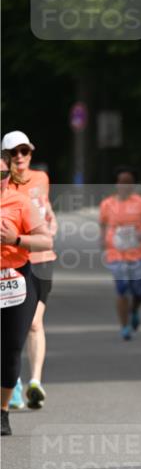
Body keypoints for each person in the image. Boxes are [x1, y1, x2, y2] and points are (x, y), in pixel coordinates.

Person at [2, 130, 58, 410]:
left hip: (41, 258)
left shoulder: (41, 179)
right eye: (14, 152)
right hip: (14, 263)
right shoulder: (4, 186)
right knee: (12, 330)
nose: (21, 157)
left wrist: (51, 224)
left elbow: (45, 210)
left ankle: (34, 381)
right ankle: (12, 381)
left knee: (34, 323)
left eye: (25, 151)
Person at [98, 166, 141, 340]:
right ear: (116, 184)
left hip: (139, 254)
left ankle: (135, 310)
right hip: (116, 254)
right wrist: (102, 240)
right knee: (122, 289)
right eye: (121, 182)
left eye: (128, 182)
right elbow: (102, 225)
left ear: (134, 184)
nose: (124, 185)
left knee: (139, 292)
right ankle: (124, 326)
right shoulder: (107, 204)